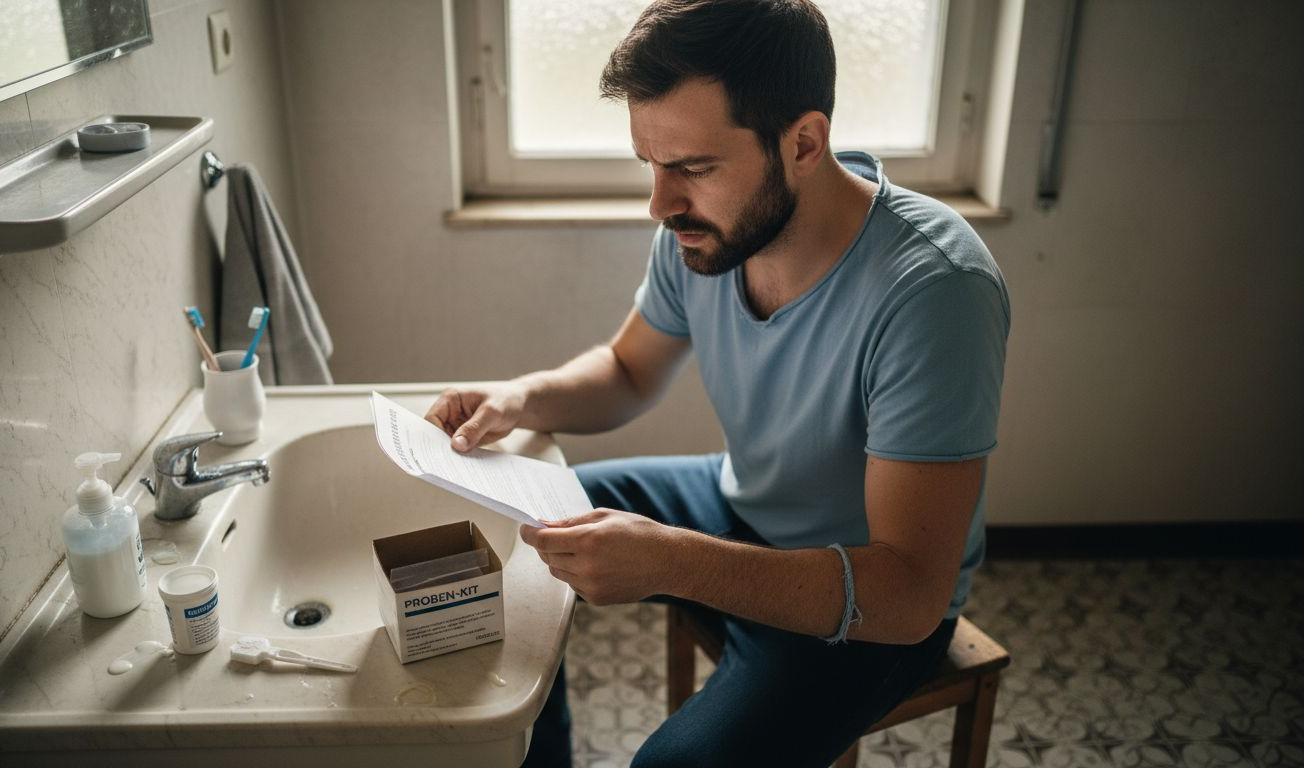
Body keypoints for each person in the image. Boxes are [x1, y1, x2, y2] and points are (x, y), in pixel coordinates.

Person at [424, 0, 1009, 765]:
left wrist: (673, 559)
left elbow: (907, 592)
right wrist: (522, 397)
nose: (660, 204)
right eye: (653, 166)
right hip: (739, 500)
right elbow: (630, 370)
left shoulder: (935, 291)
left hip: (870, 599)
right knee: (517, 528)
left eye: (693, 168)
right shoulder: (703, 230)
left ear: (804, 142)